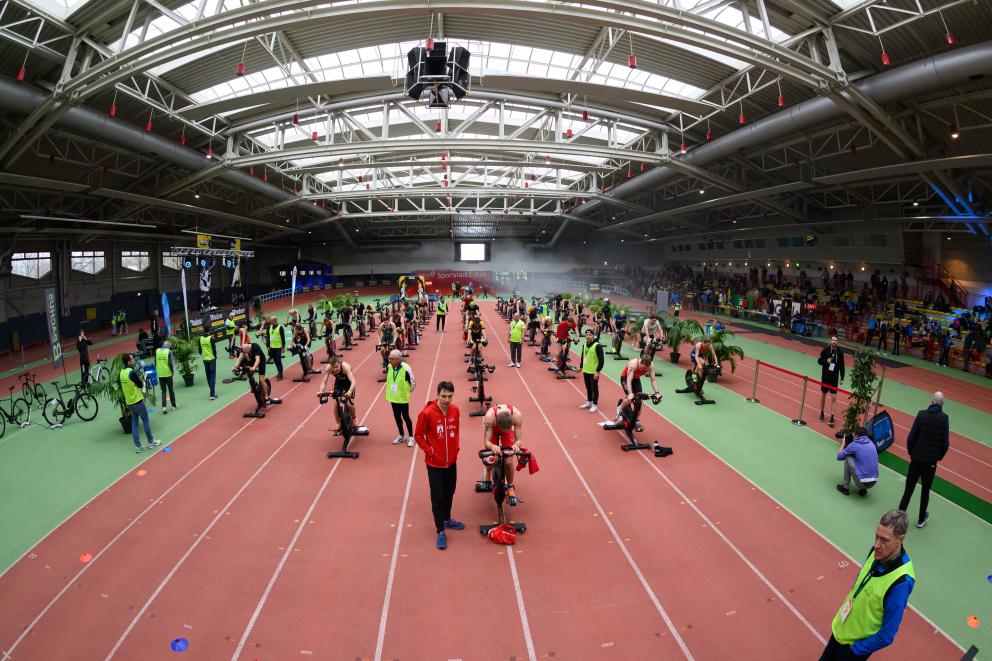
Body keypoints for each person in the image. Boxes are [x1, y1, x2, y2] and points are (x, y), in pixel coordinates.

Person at [820, 510, 915, 660]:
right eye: (876, 536)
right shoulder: (876, 551)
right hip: (841, 629)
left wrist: (856, 650)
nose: (876, 544)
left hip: (852, 650)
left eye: (884, 540)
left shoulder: (901, 582)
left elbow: (887, 634)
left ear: (900, 539)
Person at [413, 381, 463, 550]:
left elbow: (456, 431)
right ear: (437, 395)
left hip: (451, 462)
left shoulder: (455, 410)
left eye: (450, 396)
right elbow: (418, 436)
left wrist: (456, 447)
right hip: (434, 464)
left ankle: (447, 519)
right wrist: (430, 451)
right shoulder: (426, 413)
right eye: (444, 396)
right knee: (438, 497)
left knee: (450, 492)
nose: (447, 400)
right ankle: (440, 530)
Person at [898, 392, 949, 528]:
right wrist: (937, 457)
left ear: (932, 401)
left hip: (916, 459)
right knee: (925, 491)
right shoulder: (944, 419)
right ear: (942, 403)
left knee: (908, 489)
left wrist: (912, 453)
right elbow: (945, 444)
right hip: (930, 463)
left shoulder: (921, 415)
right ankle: (921, 519)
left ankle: (899, 518)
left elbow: (911, 437)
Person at [481, 403, 524, 504]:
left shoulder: (517, 416)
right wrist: (492, 446)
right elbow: (487, 442)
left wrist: (515, 446)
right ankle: (487, 471)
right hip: (493, 430)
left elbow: (518, 440)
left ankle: (510, 487)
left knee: (509, 462)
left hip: (507, 433)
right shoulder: (490, 417)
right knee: (492, 459)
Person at [120, 352, 161, 453]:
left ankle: (138, 446)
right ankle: (151, 442)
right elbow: (140, 385)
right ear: (128, 362)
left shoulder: (121, 372)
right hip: (138, 401)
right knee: (145, 421)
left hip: (130, 403)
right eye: (132, 359)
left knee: (134, 423)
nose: (134, 360)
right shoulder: (131, 372)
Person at [619, 354, 661, 431]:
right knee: (629, 399)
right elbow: (629, 380)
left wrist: (657, 393)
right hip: (626, 378)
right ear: (640, 363)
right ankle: (619, 409)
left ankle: (637, 421)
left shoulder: (651, 366)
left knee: (639, 401)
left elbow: (653, 380)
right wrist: (630, 393)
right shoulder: (633, 364)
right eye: (643, 368)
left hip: (636, 379)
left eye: (646, 369)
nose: (644, 370)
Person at [385, 349, 416, 446]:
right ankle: (402, 435)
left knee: (406, 417)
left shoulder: (406, 368)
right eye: (389, 358)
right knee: (397, 417)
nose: (389, 360)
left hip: (402, 397)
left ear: (398, 359)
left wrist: (407, 391)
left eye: (391, 358)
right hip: (393, 397)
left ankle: (411, 437)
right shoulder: (389, 366)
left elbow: (413, 382)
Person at [318, 355, 357, 434]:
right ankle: (338, 423)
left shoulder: (345, 367)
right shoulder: (328, 368)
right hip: (339, 383)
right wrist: (320, 391)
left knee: (349, 403)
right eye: (333, 367)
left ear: (339, 363)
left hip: (348, 383)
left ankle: (354, 418)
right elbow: (324, 382)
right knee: (336, 403)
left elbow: (353, 381)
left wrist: (349, 392)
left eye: (336, 367)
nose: (335, 369)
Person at [836, 427, 879, 496]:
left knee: (848, 458)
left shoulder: (855, 445)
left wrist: (843, 443)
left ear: (857, 435)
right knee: (862, 460)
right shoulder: (871, 443)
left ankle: (845, 487)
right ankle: (863, 490)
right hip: (874, 482)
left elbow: (839, 457)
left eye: (854, 435)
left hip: (862, 483)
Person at [818, 336, 846, 427]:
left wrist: (842, 377)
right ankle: (822, 413)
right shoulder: (825, 350)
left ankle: (832, 417)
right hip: (825, 377)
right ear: (830, 341)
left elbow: (842, 366)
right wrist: (826, 361)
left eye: (835, 340)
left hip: (834, 378)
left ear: (837, 342)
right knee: (823, 395)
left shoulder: (840, 352)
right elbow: (819, 361)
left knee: (834, 397)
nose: (834, 342)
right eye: (833, 340)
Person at [579, 328, 605, 412]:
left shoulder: (597, 346)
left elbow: (601, 360)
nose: (588, 336)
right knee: (588, 387)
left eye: (590, 335)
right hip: (586, 370)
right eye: (586, 335)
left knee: (594, 388)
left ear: (593, 336)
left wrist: (598, 371)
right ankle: (589, 401)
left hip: (593, 372)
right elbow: (583, 356)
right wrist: (581, 366)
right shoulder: (584, 345)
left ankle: (594, 404)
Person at [155, 339, 178, 414]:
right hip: (168, 374)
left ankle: (164, 407)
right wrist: (172, 372)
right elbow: (170, 363)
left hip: (160, 374)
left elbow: (155, 362)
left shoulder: (157, 351)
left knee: (163, 391)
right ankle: (173, 406)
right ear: (168, 347)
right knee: (171, 390)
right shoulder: (168, 352)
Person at [199, 331, 220, 400]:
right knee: (212, 376)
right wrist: (215, 356)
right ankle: (212, 394)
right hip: (211, 359)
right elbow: (214, 349)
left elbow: (199, 350)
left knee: (208, 376)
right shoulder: (210, 338)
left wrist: (203, 354)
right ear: (209, 330)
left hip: (205, 360)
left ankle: (212, 392)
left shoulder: (201, 338)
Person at [267, 315, 285, 380]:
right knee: (275, 360)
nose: (270, 321)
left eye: (271, 321)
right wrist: (268, 346)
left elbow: (283, 338)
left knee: (278, 360)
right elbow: (268, 337)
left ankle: (280, 374)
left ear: (275, 320)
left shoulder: (280, 327)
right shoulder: (270, 327)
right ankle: (279, 372)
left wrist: (283, 347)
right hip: (272, 347)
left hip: (278, 347)